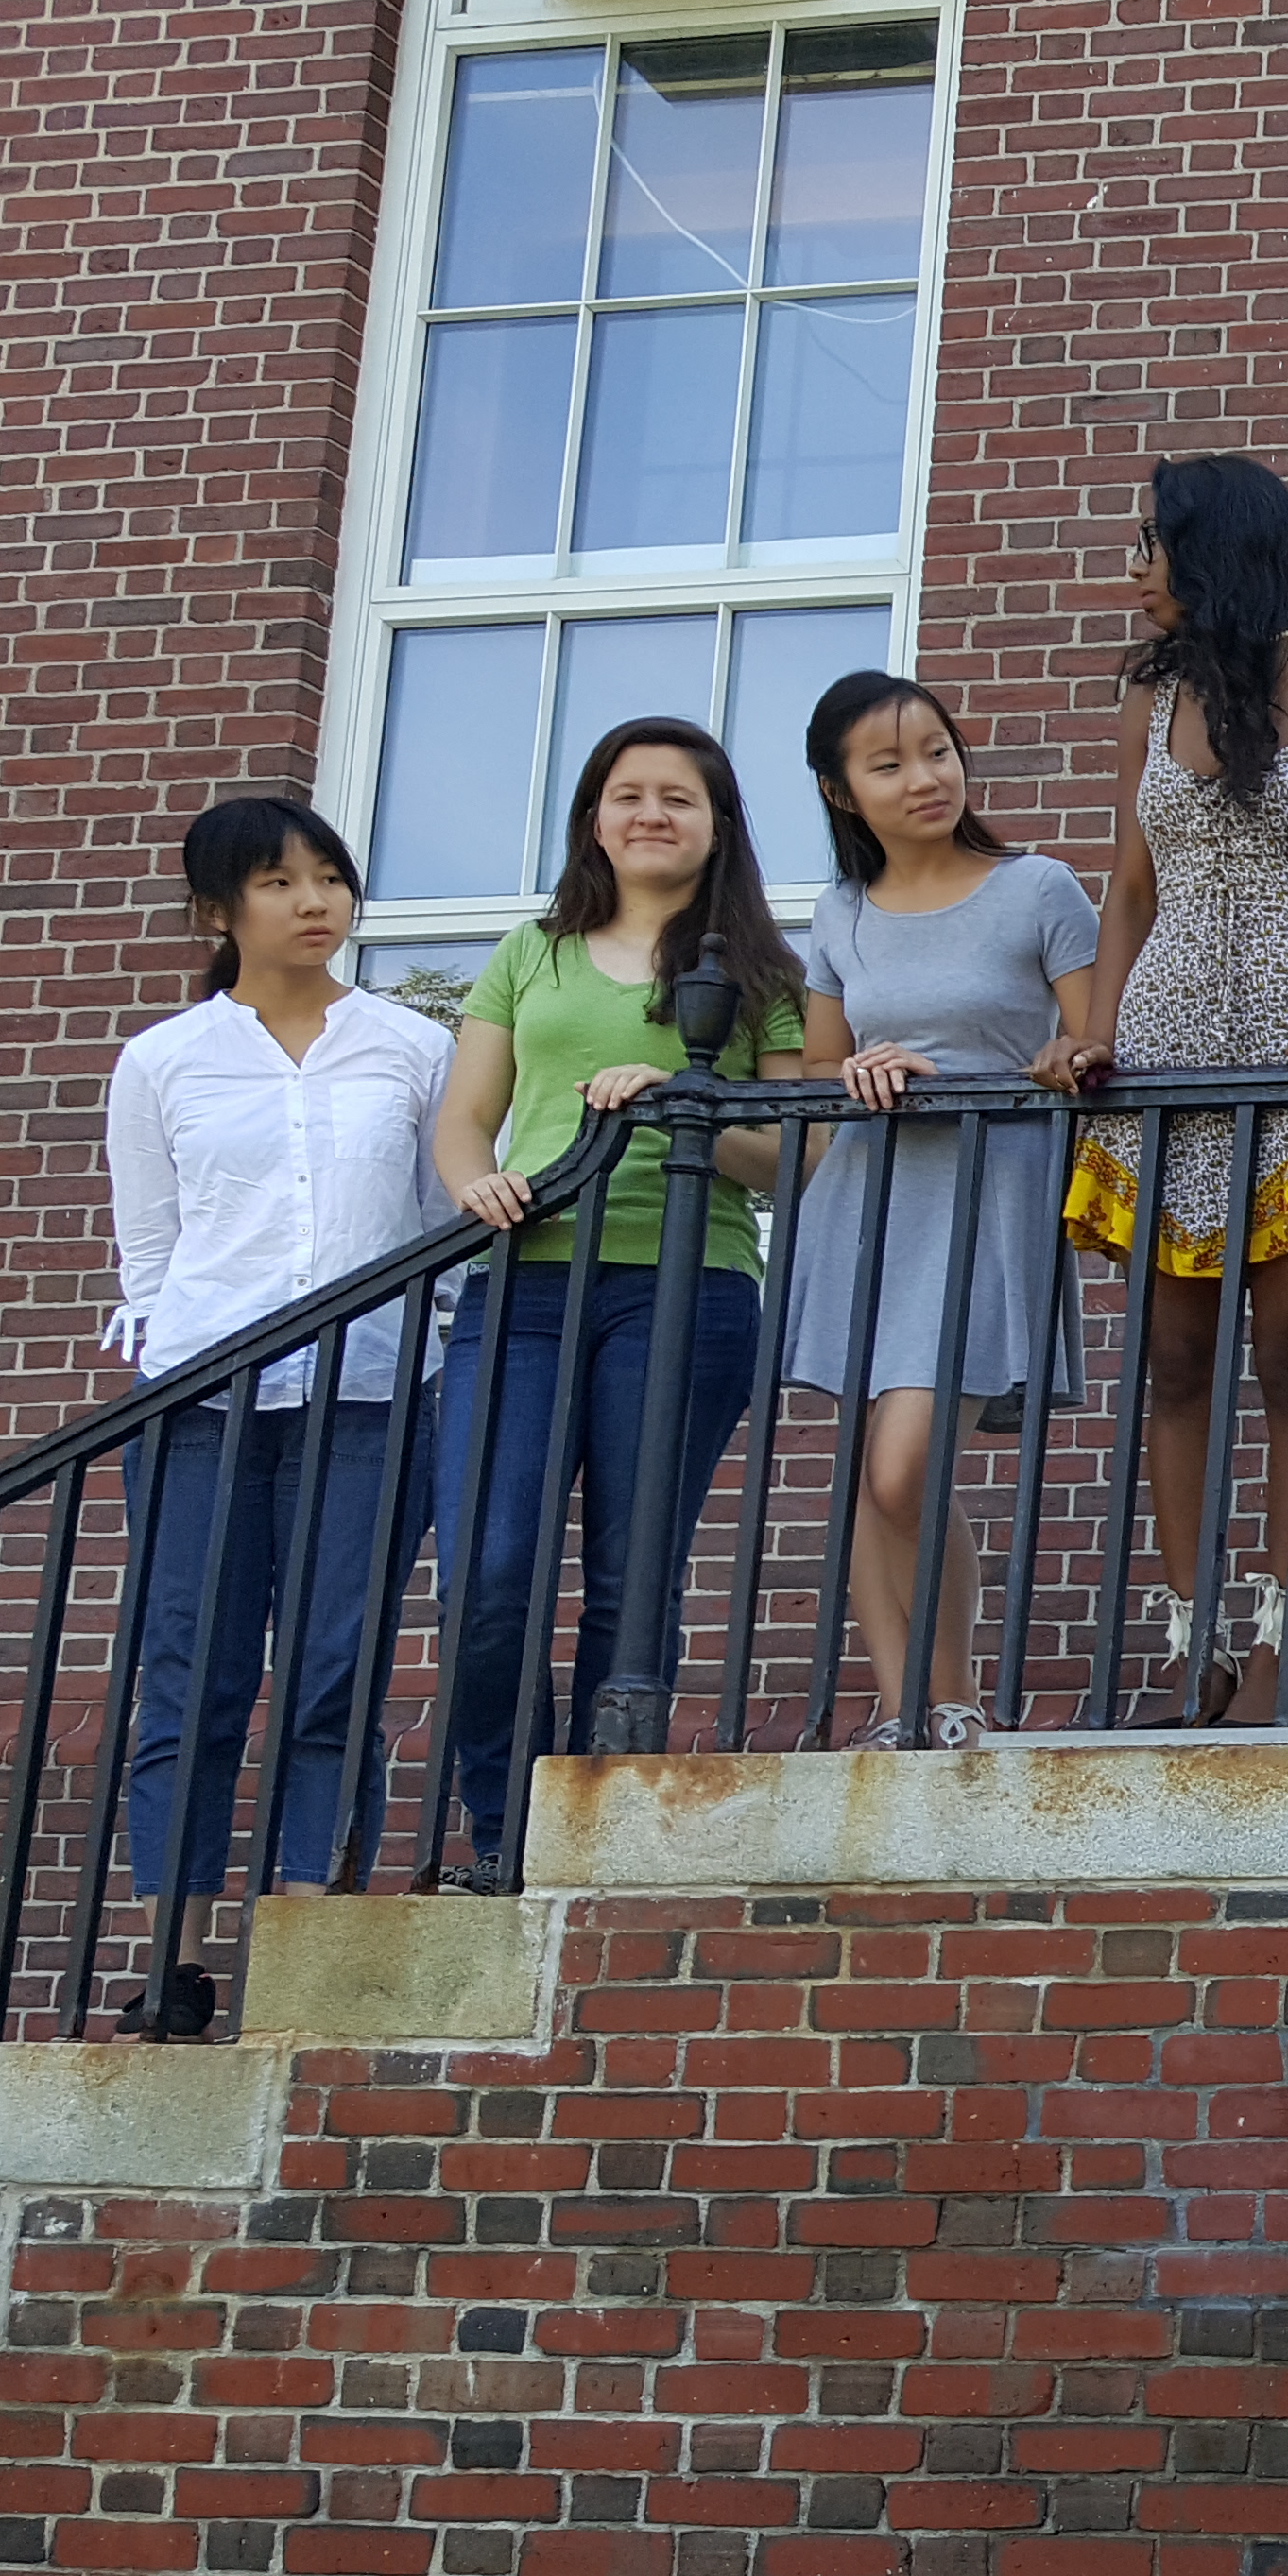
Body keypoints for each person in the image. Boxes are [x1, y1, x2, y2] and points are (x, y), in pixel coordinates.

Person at [1055, 453, 1288, 1725]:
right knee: (1172, 1361)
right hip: (1163, 1047)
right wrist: (1096, 1031)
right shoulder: (1148, 702)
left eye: (1152, 545)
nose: (1136, 571)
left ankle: (1276, 1646)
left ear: (1219, 552)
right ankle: (1193, 1640)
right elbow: (1130, 886)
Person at [429, 718, 806, 1885]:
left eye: (678, 798)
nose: (651, 814)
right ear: (594, 817)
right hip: (522, 1283)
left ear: (717, 826)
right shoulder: (528, 953)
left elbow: (789, 1158)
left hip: (687, 1291)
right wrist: (474, 1184)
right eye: (628, 793)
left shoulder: (761, 975)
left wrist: (685, 1100)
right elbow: (464, 1120)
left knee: (630, 1586)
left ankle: (591, 1838)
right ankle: (505, 1831)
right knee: (489, 1576)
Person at [102, 798, 456, 1967]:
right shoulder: (163, 1061)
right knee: (190, 1669)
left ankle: (311, 1942)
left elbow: (441, 1224)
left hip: (370, 1394)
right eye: (279, 882)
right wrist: (172, 1364)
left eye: (330, 878)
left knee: (333, 1668)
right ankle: (172, 1961)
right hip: (199, 1407)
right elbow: (150, 1254)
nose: (315, 903)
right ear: (218, 910)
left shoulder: (413, 1048)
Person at [778, 673, 1102, 1749]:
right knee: (872, 1474)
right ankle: (899, 1709)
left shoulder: (1039, 888)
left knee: (905, 1467)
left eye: (938, 752)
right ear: (841, 793)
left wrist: (1064, 1059)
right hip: (868, 1199)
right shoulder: (840, 911)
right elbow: (815, 1066)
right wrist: (857, 1070)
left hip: (990, 1196)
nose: (925, 778)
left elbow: (1094, 1043)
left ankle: (951, 1697)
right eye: (889, 764)